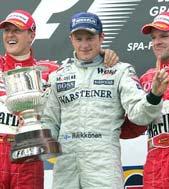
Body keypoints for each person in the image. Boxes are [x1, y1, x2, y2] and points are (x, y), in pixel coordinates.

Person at [41, 11, 169, 189]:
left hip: (103, 166)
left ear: (101, 38)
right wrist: (39, 143)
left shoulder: (120, 71)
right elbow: (50, 122)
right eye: (79, 39)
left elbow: (139, 115)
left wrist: (154, 95)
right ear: (71, 39)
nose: (84, 45)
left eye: (90, 38)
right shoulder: (58, 76)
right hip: (66, 167)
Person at [0, 9, 119, 189]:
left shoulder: (51, 71)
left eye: (16, 30)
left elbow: (83, 66)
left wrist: (103, 54)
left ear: (31, 35)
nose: (10, 35)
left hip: (30, 152)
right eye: (7, 30)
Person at [140, 11, 169, 188]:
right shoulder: (146, 79)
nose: (156, 42)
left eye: (164, 36)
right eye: (153, 37)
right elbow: (132, 127)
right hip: (155, 169)